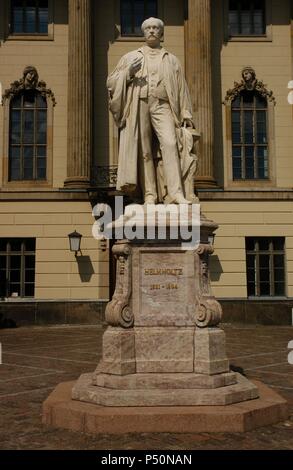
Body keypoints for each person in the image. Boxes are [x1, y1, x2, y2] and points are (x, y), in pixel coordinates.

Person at [107, 17, 199, 205]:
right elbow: (110, 83)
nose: (151, 31)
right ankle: (150, 194)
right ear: (143, 32)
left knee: (170, 143)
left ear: (161, 32)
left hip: (163, 104)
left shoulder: (172, 60)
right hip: (139, 103)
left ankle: (175, 193)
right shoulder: (131, 57)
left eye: (155, 28)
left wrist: (186, 113)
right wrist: (128, 73)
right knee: (145, 150)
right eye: (148, 28)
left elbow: (182, 88)